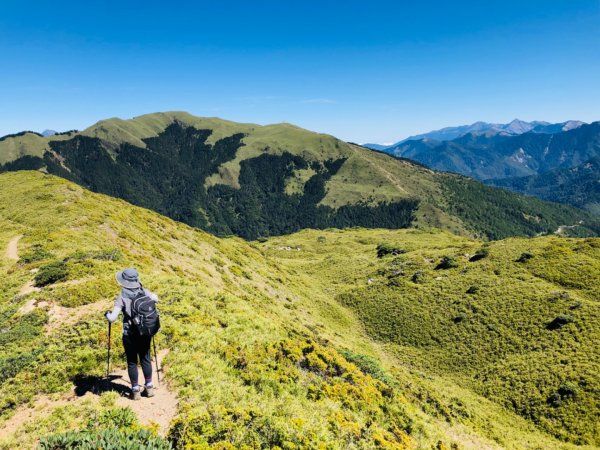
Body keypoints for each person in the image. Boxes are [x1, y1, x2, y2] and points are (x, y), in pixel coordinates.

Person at [105, 268, 158, 400]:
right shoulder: (144, 291)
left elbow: (113, 318)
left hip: (129, 334)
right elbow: (155, 299)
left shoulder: (122, 297)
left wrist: (107, 315)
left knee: (132, 362)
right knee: (145, 359)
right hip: (145, 333)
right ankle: (149, 387)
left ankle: (135, 391)